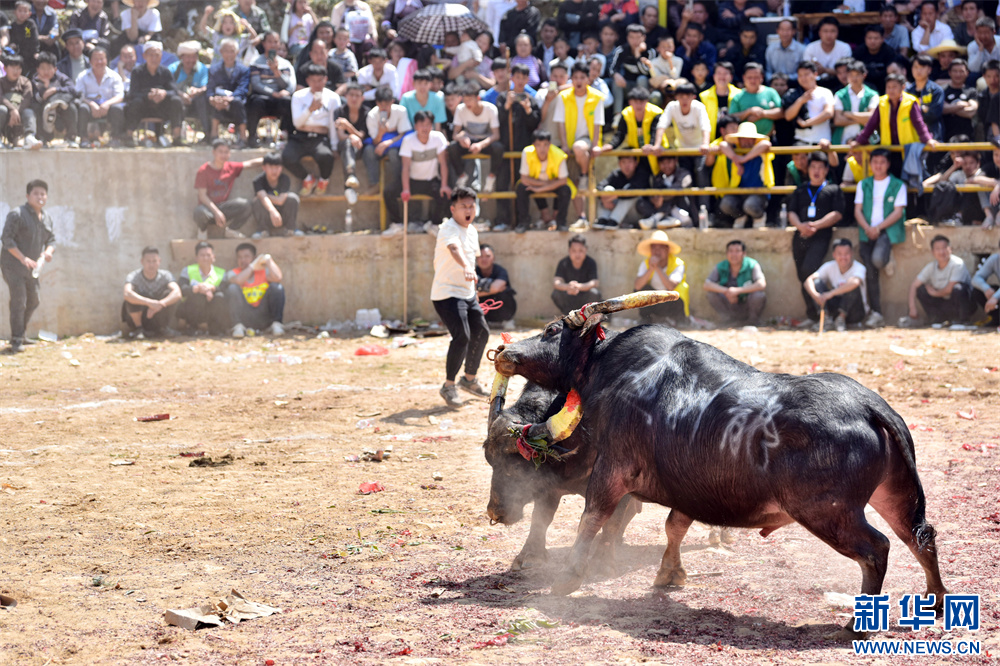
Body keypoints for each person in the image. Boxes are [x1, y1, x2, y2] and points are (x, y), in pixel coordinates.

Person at [431, 187, 490, 407]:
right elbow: (454, 248)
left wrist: (473, 285)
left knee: (482, 332)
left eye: (471, 206)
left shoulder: (472, 231)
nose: (468, 210)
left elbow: (472, 260)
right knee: (462, 336)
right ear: (453, 209)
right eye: (464, 206)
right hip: (446, 293)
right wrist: (466, 267)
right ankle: (448, 386)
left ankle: (469, 379)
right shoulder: (447, 228)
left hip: (467, 294)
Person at [787, 152, 845, 326]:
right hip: (800, 237)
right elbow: (791, 212)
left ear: (827, 169)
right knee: (802, 276)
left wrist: (816, 226)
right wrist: (801, 226)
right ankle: (813, 316)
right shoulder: (801, 189)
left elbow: (837, 214)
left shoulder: (833, 189)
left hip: (821, 236)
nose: (816, 171)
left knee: (809, 272)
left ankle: (827, 312)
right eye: (813, 167)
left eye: (820, 167)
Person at [854, 148, 907, 329]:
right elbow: (857, 210)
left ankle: (886, 258)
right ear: (870, 164)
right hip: (866, 232)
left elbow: (898, 212)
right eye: (875, 162)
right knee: (870, 273)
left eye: (882, 162)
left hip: (887, 231)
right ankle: (876, 313)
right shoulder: (863, 184)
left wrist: (878, 228)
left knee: (877, 260)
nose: (878, 165)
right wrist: (868, 228)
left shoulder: (898, 185)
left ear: (888, 164)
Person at [1, 179, 54, 354]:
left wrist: (48, 252)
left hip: (32, 268)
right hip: (12, 266)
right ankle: (16, 340)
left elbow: (51, 240)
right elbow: (6, 239)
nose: (40, 197)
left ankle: (21, 334)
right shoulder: (17, 214)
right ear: (28, 196)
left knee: (34, 300)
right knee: (19, 300)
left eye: (43, 193)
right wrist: (23, 258)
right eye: (36, 193)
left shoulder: (46, 217)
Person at [555, 62, 606, 215]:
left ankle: (584, 173)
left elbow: (597, 125)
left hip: (586, 142)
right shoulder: (563, 97)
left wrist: (595, 145)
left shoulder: (597, 97)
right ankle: (581, 217)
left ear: (588, 79)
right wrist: (564, 145)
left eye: (582, 77)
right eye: (575, 77)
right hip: (568, 144)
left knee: (583, 179)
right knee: (572, 183)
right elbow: (561, 124)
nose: (579, 81)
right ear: (571, 79)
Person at [286, 63, 340, 196]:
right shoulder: (298, 96)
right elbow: (297, 122)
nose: (317, 84)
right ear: (307, 81)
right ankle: (308, 178)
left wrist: (334, 146)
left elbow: (334, 124)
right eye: (313, 80)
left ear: (325, 80)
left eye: (320, 80)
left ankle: (323, 180)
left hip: (320, 137)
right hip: (300, 135)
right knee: (287, 157)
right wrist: (310, 109)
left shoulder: (333, 98)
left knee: (326, 156)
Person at [194, 139, 262, 238]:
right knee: (199, 212)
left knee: (246, 205)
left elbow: (250, 164)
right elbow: (202, 196)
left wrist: (271, 159)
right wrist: (216, 212)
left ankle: (231, 230)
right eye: (220, 152)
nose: (223, 155)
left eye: (226, 152)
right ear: (214, 152)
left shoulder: (231, 167)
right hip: (208, 208)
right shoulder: (203, 170)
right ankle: (202, 230)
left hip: (224, 208)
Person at [714, 121, 774, 228]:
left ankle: (759, 217)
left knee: (750, 205)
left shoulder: (761, 153)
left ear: (754, 140)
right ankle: (740, 217)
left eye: (750, 138)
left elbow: (766, 144)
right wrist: (736, 160)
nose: (746, 141)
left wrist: (744, 159)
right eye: (743, 138)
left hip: (758, 193)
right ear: (738, 140)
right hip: (739, 193)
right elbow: (723, 144)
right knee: (725, 204)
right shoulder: (736, 151)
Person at [904, 235, 973, 326]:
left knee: (958, 288)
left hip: (962, 304)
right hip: (943, 304)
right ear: (933, 252)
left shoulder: (958, 264)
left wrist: (934, 293)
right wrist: (912, 308)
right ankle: (936, 319)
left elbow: (949, 289)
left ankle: (962, 320)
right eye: (938, 249)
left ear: (950, 249)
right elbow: (914, 285)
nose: (941, 252)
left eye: (944, 248)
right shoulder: (931, 267)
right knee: (921, 289)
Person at [124, 41, 184, 146]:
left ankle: (176, 137)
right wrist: (148, 95)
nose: (154, 58)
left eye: (157, 55)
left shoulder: (165, 72)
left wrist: (163, 93)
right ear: (144, 56)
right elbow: (132, 93)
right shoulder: (137, 72)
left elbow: (174, 91)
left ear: (161, 56)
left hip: (161, 108)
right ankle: (129, 137)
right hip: (143, 108)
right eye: (151, 55)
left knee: (176, 101)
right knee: (135, 102)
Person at [803, 238, 868, 332]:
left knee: (853, 286)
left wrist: (831, 293)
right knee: (817, 282)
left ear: (852, 253)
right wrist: (816, 296)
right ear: (834, 255)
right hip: (835, 308)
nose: (843, 257)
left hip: (855, 312)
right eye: (839, 254)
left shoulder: (859, 268)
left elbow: (855, 283)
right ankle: (826, 320)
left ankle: (841, 319)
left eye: (846, 254)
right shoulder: (829, 266)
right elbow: (808, 280)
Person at [400, 110, 452, 229]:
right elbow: (406, 167)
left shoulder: (438, 138)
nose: (425, 128)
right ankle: (398, 224)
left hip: (431, 180)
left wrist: (444, 185)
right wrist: (406, 189)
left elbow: (443, 163)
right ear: (415, 126)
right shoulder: (408, 140)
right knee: (389, 192)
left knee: (446, 195)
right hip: (413, 181)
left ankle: (434, 224)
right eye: (421, 124)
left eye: (428, 124)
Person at [447, 82, 502, 193]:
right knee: (452, 147)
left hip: (485, 142)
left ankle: (491, 177)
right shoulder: (460, 109)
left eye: (470, 99)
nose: (467, 103)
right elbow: (455, 134)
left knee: (498, 148)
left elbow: (496, 135)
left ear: (478, 98)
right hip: (468, 142)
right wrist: (461, 139)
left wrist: (481, 145)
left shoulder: (491, 109)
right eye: (465, 100)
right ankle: (461, 175)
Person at [516, 129, 574, 232]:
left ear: (550, 144)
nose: (542, 149)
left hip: (552, 184)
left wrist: (540, 189)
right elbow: (524, 179)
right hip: (538, 183)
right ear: (533, 145)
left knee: (565, 190)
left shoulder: (559, 155)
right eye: (538, 145)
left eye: (545, 145)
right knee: (521, 188)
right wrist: (543, 184)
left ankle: (561, 223)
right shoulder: (527, 152)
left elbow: (563, 181)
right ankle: (523, 223)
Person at [247, 31, 296, 147]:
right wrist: (273, 93)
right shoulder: (255, 62)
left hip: (279, 99)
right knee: (254, 102)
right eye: (270, 41)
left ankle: (287, 135)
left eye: (275, 42)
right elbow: (256, 84)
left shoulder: (285, 64)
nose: (273, 45)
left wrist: (276, 71)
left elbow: (289, 85)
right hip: (262, 97)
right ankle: (252, 136)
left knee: (289, 102)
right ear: (263, 43)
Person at [226, 242, 286, 337]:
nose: (243, 260)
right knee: (232, 288)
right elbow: (238, 280)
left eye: (246, 256)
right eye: (240, 257)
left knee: (277, 287)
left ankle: (276, 324)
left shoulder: (263, 272)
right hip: (245, 315)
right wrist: (252, 266)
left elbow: (278, 278)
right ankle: (237, 326)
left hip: (263, 315)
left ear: (254, 258)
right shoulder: (233, 273)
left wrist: (269, 261)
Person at [122, 246, 182, 338]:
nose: (151, 264)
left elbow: (177, 293)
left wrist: (160, 304)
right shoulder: (134, 276)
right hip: (142, 316)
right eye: (148, 261)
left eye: (154, 261)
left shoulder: (165, 275)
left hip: (158, 314)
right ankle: (139, 329)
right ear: (142, 262)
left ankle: (163, 329)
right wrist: (149, 303)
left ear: (159, 261)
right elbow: (127, 293)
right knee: (132, 296)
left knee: (169, 294)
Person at [703, 239, 766, 326]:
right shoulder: (721, 266)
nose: (733, 254)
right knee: (711, 294)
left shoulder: (752, 265)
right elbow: (707, 284)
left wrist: (737, 291)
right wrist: (727, 291)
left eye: (737, 251)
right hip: (729, 304)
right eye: (731, 251)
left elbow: (761, 284)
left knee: (759, 295)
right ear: (727, 254)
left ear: (744, 253)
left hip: (746, 304)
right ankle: (727, 320)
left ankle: (752, 321)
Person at [176, 241, 231, 335]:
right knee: (196, 296)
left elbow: (224, 289)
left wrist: (212, 288)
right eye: (202, 255)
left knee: (219, 296)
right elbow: (182, 288)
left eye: (208, 255)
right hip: (191, 308)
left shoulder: (221, 273)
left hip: (210, 307)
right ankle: (192, 327)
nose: (205, 258)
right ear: (196, 258)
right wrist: (198, 289)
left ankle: (215, 329)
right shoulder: (188, 270)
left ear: (213, 257)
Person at [75, 47, 126, 147]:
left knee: (117, 108)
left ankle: (115, 139)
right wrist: (91, 104)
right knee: (82, 108)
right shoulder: (82, 76)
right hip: (90, 107)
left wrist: (107, 104)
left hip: (108, 107)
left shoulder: (114, 76)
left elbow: (120, 96)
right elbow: (79, 95)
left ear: (106, 60)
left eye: (102, 59)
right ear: (90, 61)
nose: (99, 62)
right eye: (96, 59)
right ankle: (84, 139)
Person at [634, 230, 688, 325]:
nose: (657, 251)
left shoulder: (678, 264)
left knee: (675, 297)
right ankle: (646, 318)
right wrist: (651, 269)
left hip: (672, 304)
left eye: (661, 248)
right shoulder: (646, 263)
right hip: (656, 302)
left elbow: (671, 287)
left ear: (667, 249)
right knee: (641, 291)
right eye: (654, 247)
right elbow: (637, 286)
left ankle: (678, 321)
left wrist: (657, 268)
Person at [31, 52, 80, 148]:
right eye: (43, 68)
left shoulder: (61, 77)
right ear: (38, 69)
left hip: (61, 109)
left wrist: (55, 89)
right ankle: (42, 138)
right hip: (44, 109)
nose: (46, 72)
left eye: (49, 68)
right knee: (35, 108)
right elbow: (37, 98)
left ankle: (71, 138)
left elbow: (72, 89)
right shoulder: (35, 80)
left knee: (72, 107)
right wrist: (45, 87)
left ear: (55, 69)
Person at [206, 38, 251, 143]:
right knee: (213, 102)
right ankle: (213, 135)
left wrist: (229, 99)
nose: (229, 55)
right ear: (221, 52)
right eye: (226, 51)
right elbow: (210, 87)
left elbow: (242, 88)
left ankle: (243, 137)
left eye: (232, 51)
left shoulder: (243, 70)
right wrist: (212, 98)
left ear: (237, 52)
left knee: (237, 102)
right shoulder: (214, 69)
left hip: (236, 102)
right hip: (219, 102)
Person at [335, 82, 377, 194]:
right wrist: (352, 135)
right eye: (351, 95)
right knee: (348, 143)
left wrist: (348, 127)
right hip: (345, 146)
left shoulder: (367, 113)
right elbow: (341, 136)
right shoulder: (339, 111)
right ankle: (350, 175)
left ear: (362, 98)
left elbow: (362, 136)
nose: (354, 98)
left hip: (362, 148)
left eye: (357, 95)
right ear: (346, 96)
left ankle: (372, 183)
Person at [636, 153, 692, 230]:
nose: (666, 166)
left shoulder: (684, 174)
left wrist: (662, 197)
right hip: (664, 209)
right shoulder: (658, 177)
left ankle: (656, 218)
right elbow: (655, 194)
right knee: (641, 203)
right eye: (662, 163)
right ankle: (666, 218)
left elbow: (678, 188)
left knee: (674, 193)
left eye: (669, 162)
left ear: (675, 161)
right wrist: (654, 199)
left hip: (682, 210)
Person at [784, 61, 835, 144]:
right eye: (800, 75)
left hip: (822, 141)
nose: (803, 78)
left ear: (815, 74)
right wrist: (800, 101)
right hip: (801, 140)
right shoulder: (794, 94)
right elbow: (788, 116)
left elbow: (828, 113)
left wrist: (807, 123)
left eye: (806, 74)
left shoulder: (825, 92)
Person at [252, 152, 301, 237]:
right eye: (271, 167)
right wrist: (272, 210)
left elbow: (281, 200)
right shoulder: (258, 181)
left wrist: (265, 196)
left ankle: (290, 229)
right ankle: (263, 230)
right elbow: (262, 198)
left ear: (281, 168)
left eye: (277, 167)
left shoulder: (285, 179)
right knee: (257, 201)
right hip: (268, 217)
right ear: (264, 168)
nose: (274, 171)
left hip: (282, 216)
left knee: (293, 198)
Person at [594, 154, 649, 230]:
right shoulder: (616, 174)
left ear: (636, 163)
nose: (627, 166)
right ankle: (603, 219)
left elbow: (631, 191)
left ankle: (614, 221)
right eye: (624, 162)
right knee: (607, 189)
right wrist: (604, 199)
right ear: (619, 163)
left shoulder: (641, 174)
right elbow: (599, 187)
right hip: (618, 213)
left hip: (637, 215)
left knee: (630, 193)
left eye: (630, 162)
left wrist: (615, 196)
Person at [728, 62, 783, 138]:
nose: (753, 80)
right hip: (745, 141)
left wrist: (762, 114)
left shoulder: (771, 92)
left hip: (769, 139)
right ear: (744, 78)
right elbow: (731, 118)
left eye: (756, 77)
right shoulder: (738, 97)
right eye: (749, 77)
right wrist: (748, 112)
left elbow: (781, 112)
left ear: (762, 77)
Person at [169, 41, 210, 139]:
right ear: (181, 57)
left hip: (196, 102)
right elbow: (168, 86)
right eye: (188, 57)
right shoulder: (173, 68)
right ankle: (176, 136)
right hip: (178, 102)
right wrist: (181, 95)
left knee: (203, 100)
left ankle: (208, 134)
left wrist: (198, 91)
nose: (191, 60)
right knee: (175, 101)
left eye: (193, 57)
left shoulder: (202, 68)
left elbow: (206, 86)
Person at [0, 55, 42, 150]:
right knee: (1, 110)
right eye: (13, 68)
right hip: (5, 113)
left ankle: (29, 137)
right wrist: (12, 110)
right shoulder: (1, 82)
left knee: (29, 112)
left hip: (20, 112)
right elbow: (1, 98)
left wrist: (16, 112)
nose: (16, 71)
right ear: (5, 68)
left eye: (18, 68)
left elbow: (27, 98)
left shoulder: (25, 82)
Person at [552, 234, 600, 314]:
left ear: (586, 250)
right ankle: (568, 315)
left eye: (580, 251)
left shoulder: (591, 262)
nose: (577, 254)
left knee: (594, 293)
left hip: (584, 296)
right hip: (569, 296)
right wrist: (568, 287)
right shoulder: (563, 263)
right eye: (574, 251)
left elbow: (595, 282)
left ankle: (587, 316)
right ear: (569, 251)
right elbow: (556, 282)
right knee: (556, 294)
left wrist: (579, 287)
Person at [475, 244, 517, 328]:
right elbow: (495, 288)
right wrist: (492, 289)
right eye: (481, 256)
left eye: (487, 256)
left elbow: (496, 287)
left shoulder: (500, 271)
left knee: (505, 293)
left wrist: (476, 293)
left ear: (493, 258)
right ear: (476, 258)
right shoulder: (472, 272)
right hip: (483, 310)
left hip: (500, 309)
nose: (484, 259)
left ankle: (506, 321)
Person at [802, 17, 852, 83]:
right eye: (825, 31)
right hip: (815, 83)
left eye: (832, 31)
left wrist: (824, 70)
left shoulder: (844, 48)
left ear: (837, 32)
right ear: (819, 33)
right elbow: (805, 71)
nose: (829, 35)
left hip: (839, 82)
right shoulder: (811, 48)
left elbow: (847, 71)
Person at [907, 54, 945, 141]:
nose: (918, 70)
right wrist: (923, 108)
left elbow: (934, 114)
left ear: (929, 70)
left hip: (933, 134)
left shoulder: (936, 90)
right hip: (910, 136)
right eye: (916, 67)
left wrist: (915, 110)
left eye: (922, 67)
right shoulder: (907, 91)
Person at [852, 26, 895, 94]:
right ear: (865, 39)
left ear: (882, 39)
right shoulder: (859, 51)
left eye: (876, 38)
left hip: (883, 83)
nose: (872, 41)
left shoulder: (889, 52)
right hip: (864, 83)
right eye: (869, 38)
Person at [971, 239, 1000, 327]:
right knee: (977, 291)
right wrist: (986, 289)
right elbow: (976, 278)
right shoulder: (995, 259)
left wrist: (995, 297)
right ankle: (997, 319)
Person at [766, 18, 804, 84]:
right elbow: (768, 71)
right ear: (777, 31)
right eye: (782, 29)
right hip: (775, 84)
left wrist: (787, 78)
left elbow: (803, 73)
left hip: (794, 83)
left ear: (794, 31)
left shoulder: (802, 49)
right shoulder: (771, 49)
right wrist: (775, 78)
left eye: (788, 30)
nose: (785, 33)